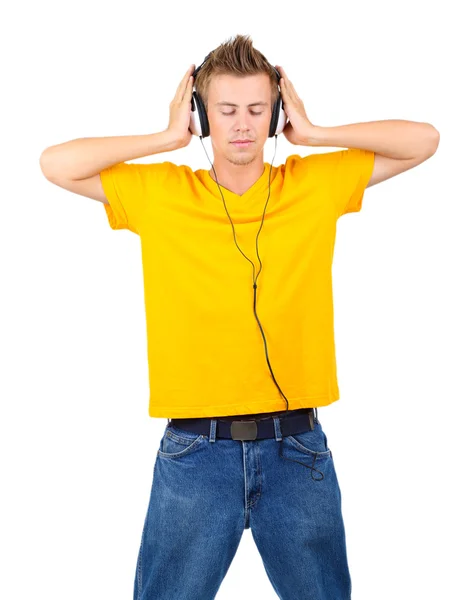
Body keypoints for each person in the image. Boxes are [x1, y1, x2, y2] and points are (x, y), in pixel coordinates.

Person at [39, 33, 439, 600]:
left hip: (297, 448)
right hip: (195, 453)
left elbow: (424, 141)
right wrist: (165, 137)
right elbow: (55, 164)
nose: (243, 124)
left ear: (276, 114)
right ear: (202, 115)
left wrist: (317, 133)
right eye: (226, 111)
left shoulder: (314, 184)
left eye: (257, 109)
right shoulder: (161, 194)